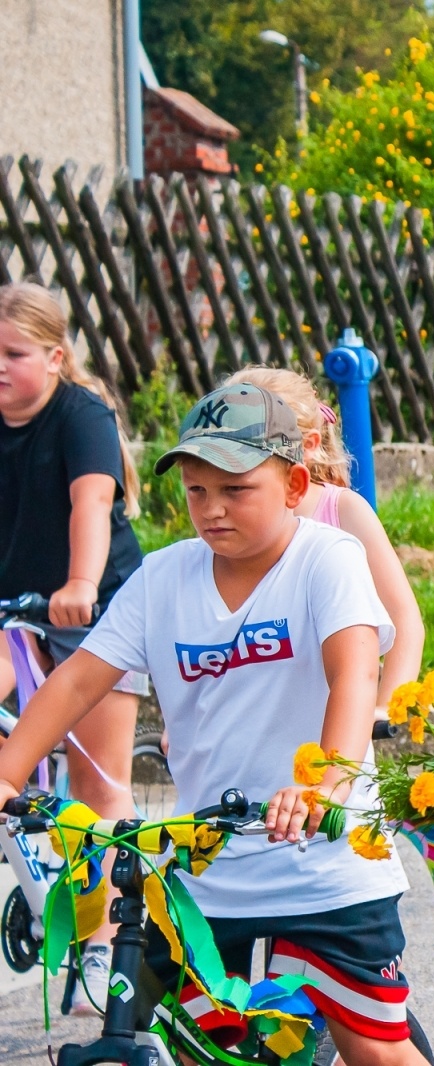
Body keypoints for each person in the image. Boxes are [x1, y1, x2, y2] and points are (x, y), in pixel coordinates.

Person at [0, 383, 423, 1063]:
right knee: (199, 1045)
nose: (213, 509)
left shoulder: (326, 558)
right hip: (211, 872)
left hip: (328, 866)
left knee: (376, 1051)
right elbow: (77, 680)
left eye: (235, 489)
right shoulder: (163, 578)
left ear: (293, 485)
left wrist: (323, 785)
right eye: (197, 492)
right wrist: (8, 771)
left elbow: (355, 674)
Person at [0, 281, 147, 1012]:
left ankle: (106, 941)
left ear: (56, 358)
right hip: (11, 610)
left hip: (95, 608)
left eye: (13, 353)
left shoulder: (82, 415)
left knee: (96, 786)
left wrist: (80, 581)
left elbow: (91, 500)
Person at [225, 366, 424, 716]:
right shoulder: (225, 520)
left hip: (333, 712)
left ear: (309, 447)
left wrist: (386, 707)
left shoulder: (343, 511)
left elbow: (404, 616)